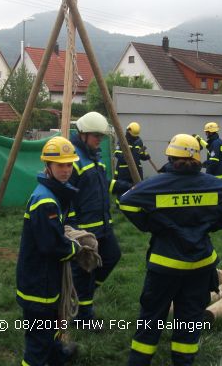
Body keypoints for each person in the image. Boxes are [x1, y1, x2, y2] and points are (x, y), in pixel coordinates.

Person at [119, 134, 222, 366]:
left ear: (171, 156)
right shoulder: (212, 184)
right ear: (198, 159)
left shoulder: (155, 185)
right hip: (200, 266)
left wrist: (153, 225)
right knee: (189, 321)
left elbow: (126, 201)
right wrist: (210, 224)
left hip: (164, 266)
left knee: (151, 319)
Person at [16, 136, 81, 366]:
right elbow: (51, 245)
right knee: (38, 342)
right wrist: (76, 247)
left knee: (51, 327)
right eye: (60, 165)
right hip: (38, 283)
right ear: (48, 166)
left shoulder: (54, 193)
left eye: (69, 164)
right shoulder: (45, 201)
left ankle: (57, 357)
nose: (66, 170)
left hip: (45, 279)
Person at [68, 112, 131, 321]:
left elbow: (105, 184)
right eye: (96, 136)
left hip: (103, 224)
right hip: (84, 229)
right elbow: (65, 194)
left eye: (101, 136)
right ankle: (84, 316)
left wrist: (131, 188)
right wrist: (73, 225)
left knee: (112, 257)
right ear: (83, 134)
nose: (99, 140)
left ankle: (78, 295)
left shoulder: (95, 157)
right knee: (85, 271)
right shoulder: (72, 159)